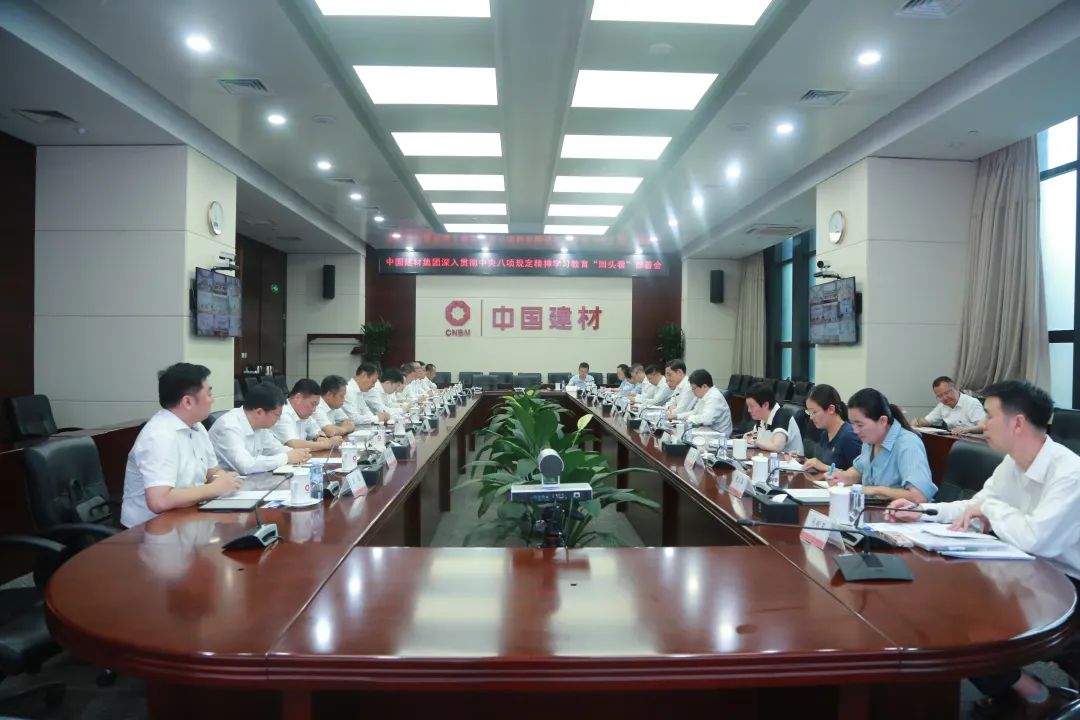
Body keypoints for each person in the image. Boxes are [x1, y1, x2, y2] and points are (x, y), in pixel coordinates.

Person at [887, 380, 1080, 718]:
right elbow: (974, 506)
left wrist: (991, 510)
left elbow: (1035, 537)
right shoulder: (1011, 464)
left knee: (964, 620)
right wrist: (922, 511)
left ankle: (1033, 696)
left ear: (1017, 423)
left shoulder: (1069, 473)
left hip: (1068, 586)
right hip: (1026, 572)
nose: (982, 424)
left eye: (989, 416)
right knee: (944, 612)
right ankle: (1029, 691)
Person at [121, 363, 242, 528]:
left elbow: (212, 471)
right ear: (188, 402)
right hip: (148, 530)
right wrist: (215, 489)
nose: (212, 400)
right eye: (209, 393)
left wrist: (224, 479)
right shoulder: (159, 435)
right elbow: (159, 501)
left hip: (186, 518)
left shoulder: (197, 426)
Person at [826, 388, 935, 503]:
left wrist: (876, 490)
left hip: (901, 512)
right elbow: (859, 470)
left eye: (860, 425)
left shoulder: (908, 444)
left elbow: (919, 496)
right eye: (852, 424)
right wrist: (843, 477)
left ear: (883, 421)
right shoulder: (869, 441)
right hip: (872, 509)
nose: (855, 430)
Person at [209, 383, 310, 474]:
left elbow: (275, 448)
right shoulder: (229, 427)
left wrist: (299, 454)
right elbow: (245, 465)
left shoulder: (260, 426)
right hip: (222, 485)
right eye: (277, 415)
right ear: (259, 412)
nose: (279, 419)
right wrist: (286, 458)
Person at [271, 378, 343, 451]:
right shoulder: (282, 413)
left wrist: (321, 438)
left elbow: (317, 432)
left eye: (316, 405)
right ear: (298, 398)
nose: (314, 410)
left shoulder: (303, 414)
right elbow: (293, 444)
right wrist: (327, 444)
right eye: (313, 404)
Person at [802, 384, 861, 472]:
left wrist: (824, 467)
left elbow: (859, 475)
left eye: (814, 412)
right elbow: (821, 465)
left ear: (831, 409)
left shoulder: (849, 436)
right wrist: (801, 459)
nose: (811, 417)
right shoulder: (825, 434)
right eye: (809, 412)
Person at [911, 375, 986, 434]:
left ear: (956, 389)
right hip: (953, 439)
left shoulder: (971, 402)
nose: (944, 398)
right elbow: (928, 420)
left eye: (947, 393)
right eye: (939, 396)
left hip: (972, 441)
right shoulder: (942, 406)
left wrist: (966, 429)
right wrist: (918, 421)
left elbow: (984, 426)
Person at [744, 382, 804, 455]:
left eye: (752, 406)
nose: (749, 410)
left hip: (792, 461)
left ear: (765, 405)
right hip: (771, 458)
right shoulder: (761, 417)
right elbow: (754, 435)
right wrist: (749, 437)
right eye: (748, 406)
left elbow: (777, 446)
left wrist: (754, 441)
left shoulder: (782, 416)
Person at [675, 369, 732, 434]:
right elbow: (695, 412)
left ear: (704, 386)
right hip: (708, 431)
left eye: (694, 388)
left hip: (719, 435)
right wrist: (677, 416)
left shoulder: (714, 397)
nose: (693, 391)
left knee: (684, 434)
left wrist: (690, 418)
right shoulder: (704, 395)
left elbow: (707, 419)